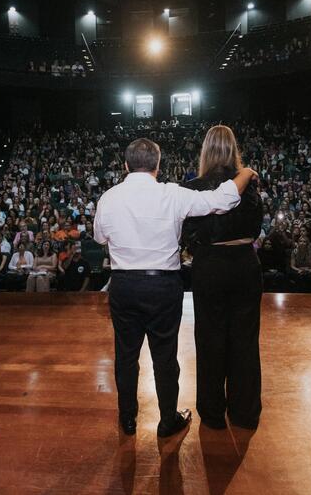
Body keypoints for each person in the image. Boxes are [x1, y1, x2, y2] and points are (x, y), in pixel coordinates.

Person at [93, 137, 257, 438]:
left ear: (125, 165)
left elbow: (100, 238)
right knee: (165, 356)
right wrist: (244, 174)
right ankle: (168, 420)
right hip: (163, 285)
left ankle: (127, 419)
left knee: (126, 356)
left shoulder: (108, 198)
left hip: (125, 285)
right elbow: (220, 201)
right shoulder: (171, 194)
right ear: (158, 166)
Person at [180, 125, 264, 430]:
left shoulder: (193, 187)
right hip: (244, 263)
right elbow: (255, 229)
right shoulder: (250, 185)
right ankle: (244, 413)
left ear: (206, 151)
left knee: (210, 338)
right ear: (233, 149)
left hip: (210, 266)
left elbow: (188, 235)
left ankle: (213, 413)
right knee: (244, 340)